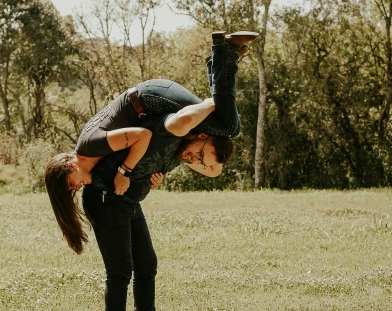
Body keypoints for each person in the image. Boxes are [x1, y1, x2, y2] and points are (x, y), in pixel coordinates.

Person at [45, 31, 259, 311]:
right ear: (200, 135)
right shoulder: (165, 130)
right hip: (106, 198)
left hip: (126, 199)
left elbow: (211, 167)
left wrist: (141, 179)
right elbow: (144, 137)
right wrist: (127, 172)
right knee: (121, 272)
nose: (195, 161)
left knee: (147, 265)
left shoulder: (177, 144)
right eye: (199, 155)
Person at [45, 31, 258, 255]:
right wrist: (149, 175)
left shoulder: (90, 146)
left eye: (71, 184)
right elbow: (210, 170)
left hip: (149, 99)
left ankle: (224, 56)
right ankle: (221, 59)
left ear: (69, 167)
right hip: (151, 104)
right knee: (226, 125)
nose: (76, 188)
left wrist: (124, 171)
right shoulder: (92, 158)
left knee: (229, 127)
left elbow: (143, 136)